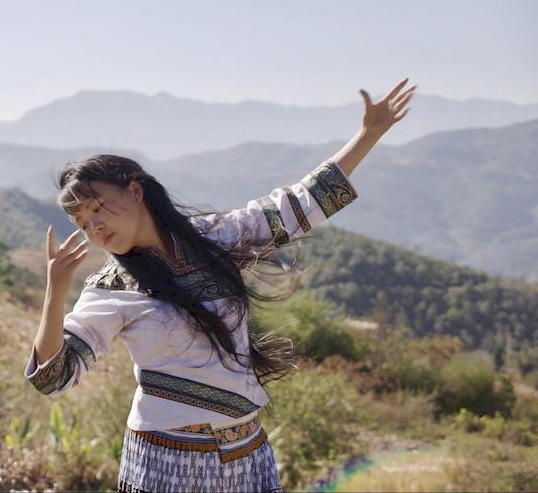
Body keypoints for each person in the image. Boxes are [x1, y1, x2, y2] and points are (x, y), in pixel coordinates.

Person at [24, 79, 416, 492]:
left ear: (135, 190)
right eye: (83, 222)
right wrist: (55, 293)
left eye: (98, 208)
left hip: (246, 453)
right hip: (166, 461)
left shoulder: (215, 237)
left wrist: (368, 134)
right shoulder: (111, 289)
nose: (95, 227)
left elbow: (298, 204)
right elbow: (53, 378)